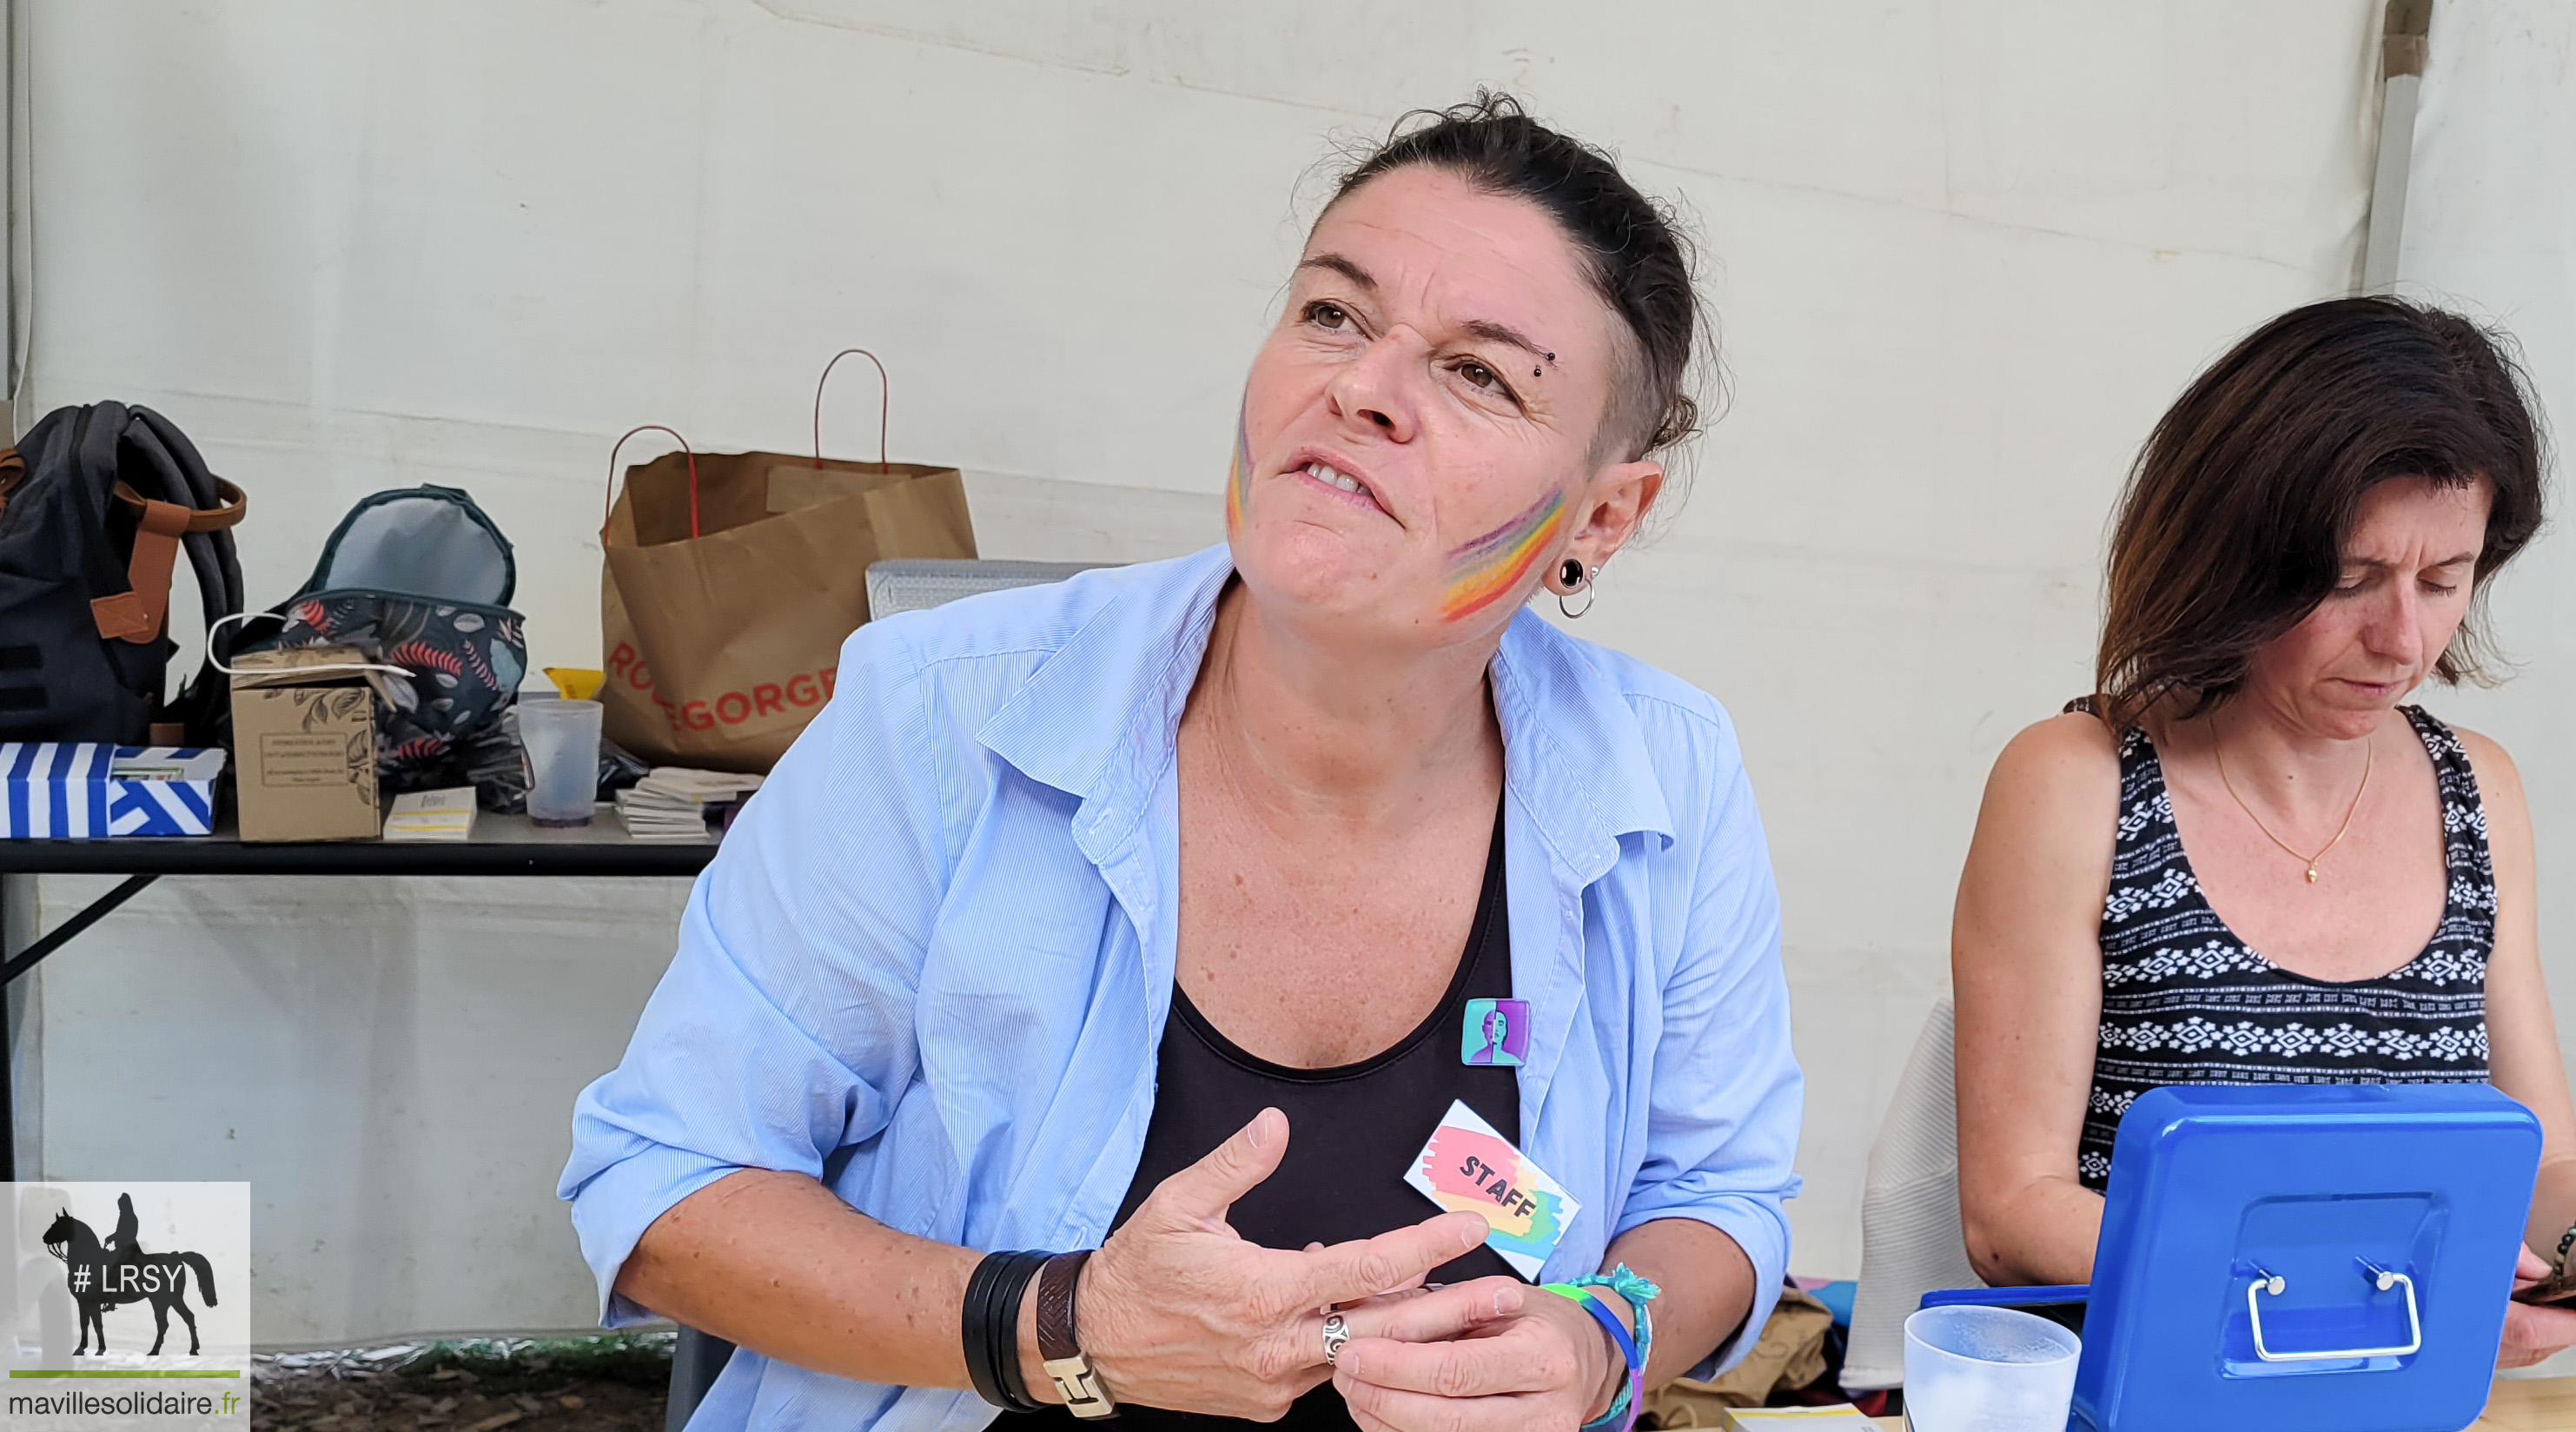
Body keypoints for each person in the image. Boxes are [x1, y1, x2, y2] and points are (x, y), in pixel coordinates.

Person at [561, 92, 1802, 1432]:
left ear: (1603, 516)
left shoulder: (1666, 777)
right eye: (1333, 312)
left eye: (1481, 373)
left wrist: (1605, 1338)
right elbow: (666, 1185)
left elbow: (1717, 1200)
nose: (1361, 389)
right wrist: (1062, 1329)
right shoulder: (941, 714)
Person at [1950, 297, 2576, 1368]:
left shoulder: (2479, 793)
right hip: (2154, 1384)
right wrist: (2384, 1302)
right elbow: (2013, 1213)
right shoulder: (2076, 785)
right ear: (2234, 555)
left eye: (2445, 581)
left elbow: (2541, 1165)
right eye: (2351, 580)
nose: (2401, 638)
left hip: (2413, 1389)